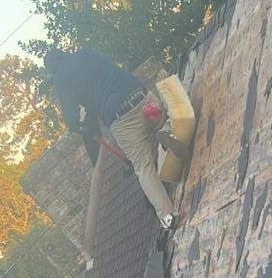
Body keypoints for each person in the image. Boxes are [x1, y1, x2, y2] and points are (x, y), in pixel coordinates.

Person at [43, 46, 175, 228]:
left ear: (52, 69)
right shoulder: (86, 52)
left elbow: (71, 118)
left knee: (143, 167)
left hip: (122, 117)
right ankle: (166, 135)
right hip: (142, 95)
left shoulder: (61, 77)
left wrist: (81, 127)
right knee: (164, 121)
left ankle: (168, 216)